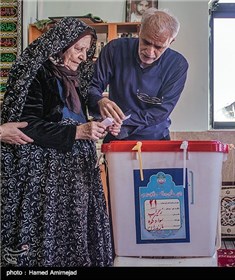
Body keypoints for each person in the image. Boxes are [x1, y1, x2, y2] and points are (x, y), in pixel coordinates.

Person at [0, 17, 119, 267]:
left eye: (87, 50)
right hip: (46, 176)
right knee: (49, 232)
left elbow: (77, 116)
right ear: (61, 44)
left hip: (76, 173)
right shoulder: (36, 73)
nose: (82, 56)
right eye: (78, 49)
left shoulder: (76, 79)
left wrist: (102, 123)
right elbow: (27, 125)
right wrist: (76, 133)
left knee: (74, 227)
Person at [88, 8, 189, 142]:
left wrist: (122, 120)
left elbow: (162, 111)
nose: (150, 52)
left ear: (171, 42)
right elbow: (92, 86)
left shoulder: (177, 65)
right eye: (146, 42)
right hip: (117, 137)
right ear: (139, 29)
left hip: (156, 138)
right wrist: (100, 101)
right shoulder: (114, 50)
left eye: (159, 47)